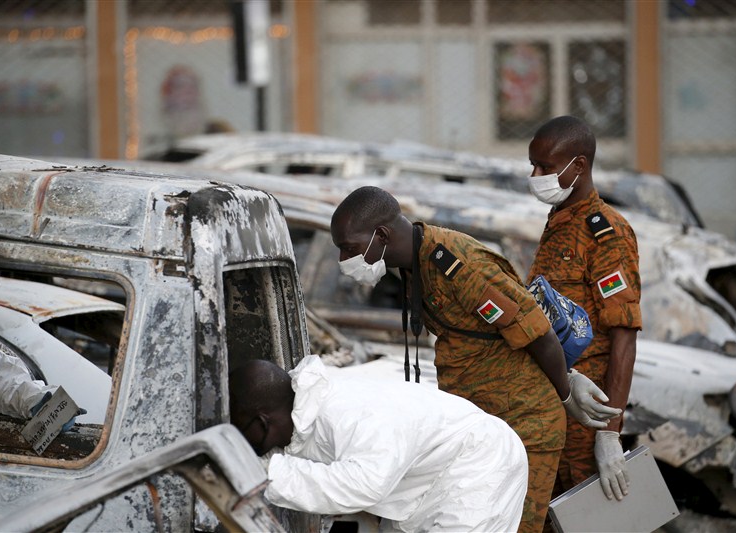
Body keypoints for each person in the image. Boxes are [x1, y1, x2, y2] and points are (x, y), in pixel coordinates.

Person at [329, 186, 620, 533]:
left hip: (525, 424)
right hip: (482, 424)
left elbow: (537, 332)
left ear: (381, 235)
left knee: (515, 527)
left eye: (349, 247)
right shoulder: (413, 265)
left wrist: (566, 391)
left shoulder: (458, 265)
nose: (344, 259)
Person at [230, 355, 529, 532]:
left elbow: (363, 484)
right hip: (427, 479)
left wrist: (264, 473)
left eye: (240, 429)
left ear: (262, 422)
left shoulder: (347, 413)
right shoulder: (308, 414)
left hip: (480, 464)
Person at [526, 115, 641, 502]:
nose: (536, 174)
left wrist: (610, 432)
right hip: (550, 412)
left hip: (587, 424)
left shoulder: (605, 233)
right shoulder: (558, 222)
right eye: (533, 165)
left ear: (578, 166)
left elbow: (624, 334)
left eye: (546, 167)